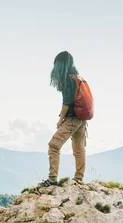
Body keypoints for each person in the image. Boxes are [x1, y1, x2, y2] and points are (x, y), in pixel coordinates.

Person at [39, 51, 90, 187]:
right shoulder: (78, 78)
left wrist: (61, 119)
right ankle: (78, 179)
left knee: (53, 146)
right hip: (82, 119)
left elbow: (67, 102)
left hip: (72, 118)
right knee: (79, 149)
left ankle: (52, 179)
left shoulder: (68, 79)